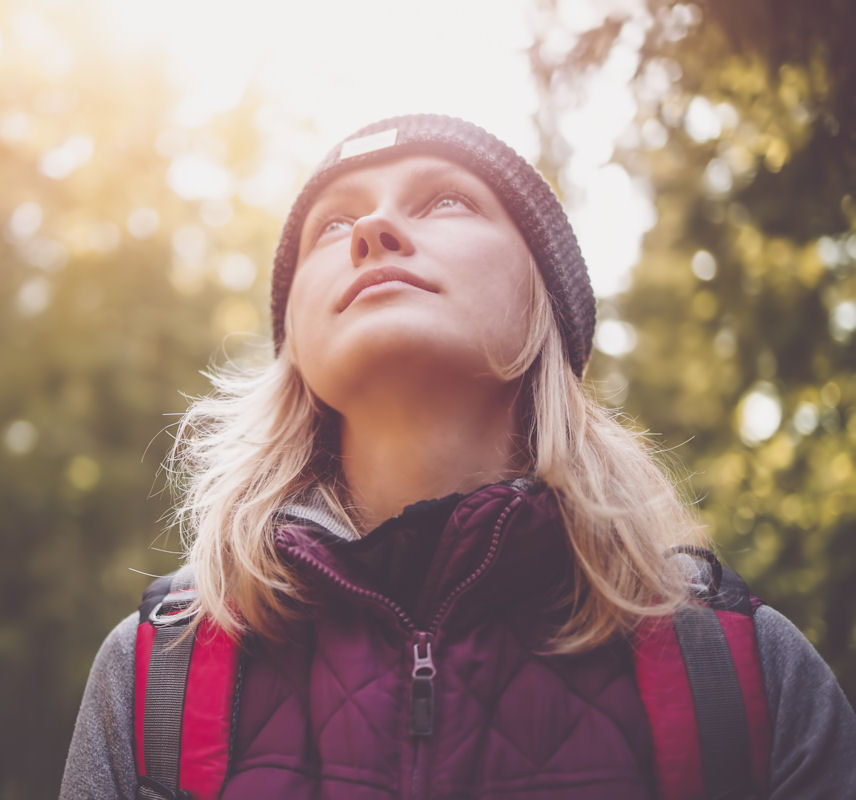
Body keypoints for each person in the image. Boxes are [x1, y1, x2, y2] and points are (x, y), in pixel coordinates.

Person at [61, 114, 856, 799]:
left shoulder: (743, 671)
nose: (372, 233)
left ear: (542, 302)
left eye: (447, 201)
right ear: (295, 342)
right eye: (331, 226)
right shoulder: (155, 679)